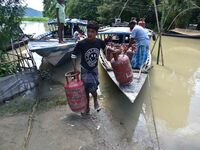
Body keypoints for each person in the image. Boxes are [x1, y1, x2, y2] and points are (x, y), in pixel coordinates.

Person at [71, 21, 106, 115]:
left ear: (96, 33)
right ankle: (87, 107)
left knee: (93, 89)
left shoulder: (100, 42)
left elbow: (105, 50)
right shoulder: (81, 43)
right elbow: (73, 55)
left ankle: (95, 99)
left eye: (92, 32)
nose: (90, 33)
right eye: (88, 31)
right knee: (86, 89)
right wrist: (75, 69)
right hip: (85, 70)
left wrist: (111, 53)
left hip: (94, 69)